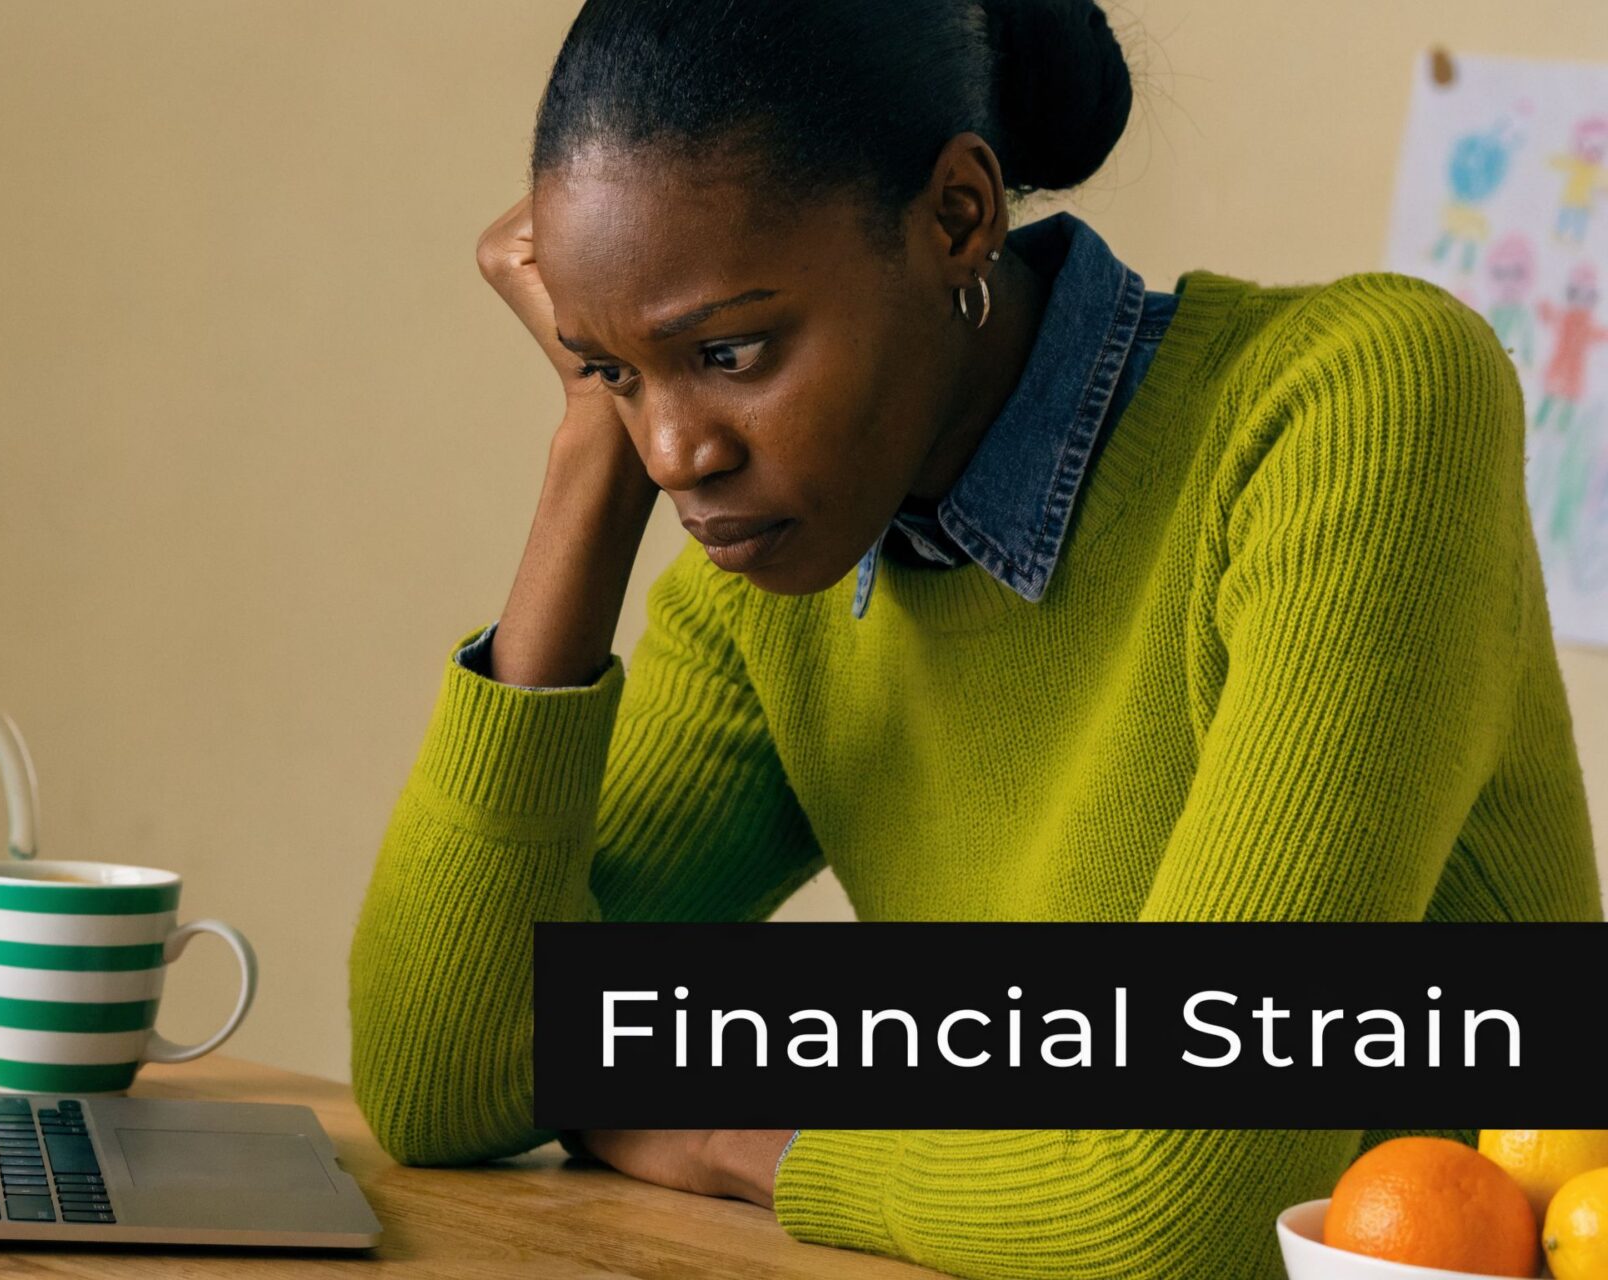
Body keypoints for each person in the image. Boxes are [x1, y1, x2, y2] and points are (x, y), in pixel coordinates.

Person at [345, 1, 1605, 1276]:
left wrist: (753, 1137)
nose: (679, 452)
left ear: (957, 215)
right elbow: (452, 1064)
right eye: (614, 369)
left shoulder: (1349, 412)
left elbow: (1187, 1194)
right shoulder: (782, 566)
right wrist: (586, 448)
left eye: (728, 351)